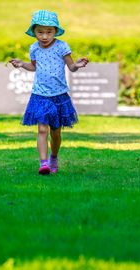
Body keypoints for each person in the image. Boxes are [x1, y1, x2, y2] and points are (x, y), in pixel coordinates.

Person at [9, 10, 89, 175]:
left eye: (49, 32)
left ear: (55, 31)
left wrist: (78, 65)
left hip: (59, 95)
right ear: (34, 32)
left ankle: (53, 156)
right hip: (40, 95)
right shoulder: (34, 48)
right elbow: (34, 67)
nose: (44, 36)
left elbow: (71, 67)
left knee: (56, 132)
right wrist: (22, 64)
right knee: (42, 130)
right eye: (40, 32)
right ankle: (43, 163)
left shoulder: (62, 47)